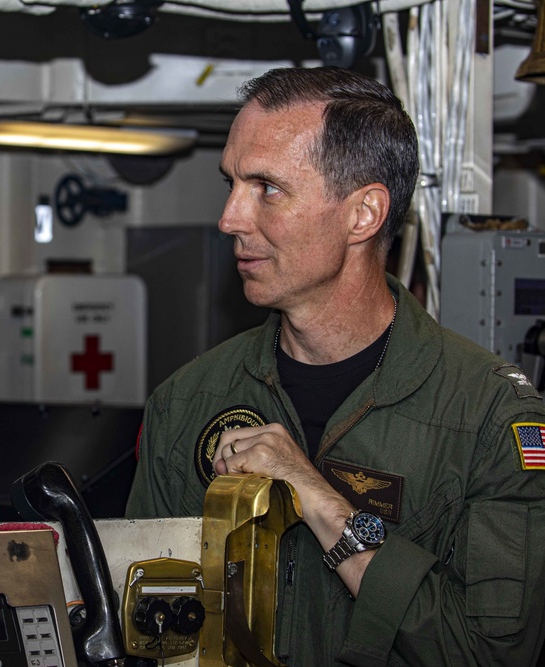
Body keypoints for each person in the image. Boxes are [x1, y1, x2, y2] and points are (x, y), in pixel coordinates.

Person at [126, 66, 545, 665]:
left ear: (363, 214)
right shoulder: (190, 400)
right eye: (231, 184)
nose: (229, 219)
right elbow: (152, 638)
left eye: (267, 187)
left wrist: (321, 504)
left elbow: (491, 654)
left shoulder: (489, 419)